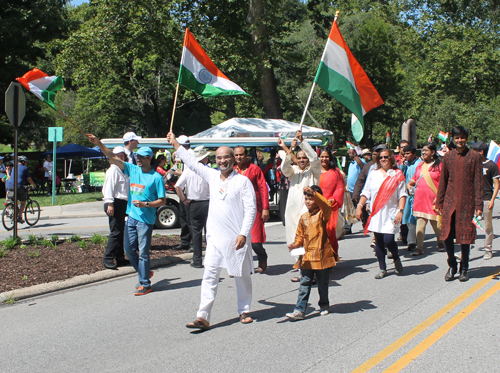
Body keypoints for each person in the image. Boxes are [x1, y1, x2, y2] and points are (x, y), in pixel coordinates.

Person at [167, 131, 256, 330]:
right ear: (215, 161)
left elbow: (251, 209)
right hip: (215, 238)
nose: (222, 161)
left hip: (236, 238)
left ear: (233, 160)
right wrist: (175, 145)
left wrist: (243, 233)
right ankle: (203, 316)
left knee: (241, 276)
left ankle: (244, 310)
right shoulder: (212, 176)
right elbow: (192, 163)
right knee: (209, 275)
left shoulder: (242, 182)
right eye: (218, 158)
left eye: (226, 157)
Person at [88, 134, 166, 295]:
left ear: (149, 158)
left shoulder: (156, 178)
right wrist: (99, 143)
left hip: (146, 221)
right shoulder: (132, 169)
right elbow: (111, 157)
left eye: (142, 157)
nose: (138, 159)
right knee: (128, 250)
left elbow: (163, 201)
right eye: (137, 156)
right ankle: (144, 272)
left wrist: (146, 204)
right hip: (131, 217)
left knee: (143, 252)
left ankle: (145, 283)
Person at [435, 126, 483, 282]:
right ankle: (452, 264)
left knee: (465, 237)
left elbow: (479, 183)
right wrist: (440, 201)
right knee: (447, 235)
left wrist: (478, 206)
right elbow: (443, 181)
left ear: (466, 138)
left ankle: (464, 268)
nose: (459, 140)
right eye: (457, 138)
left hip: (467, 203)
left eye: (462, 137)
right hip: (450, 201)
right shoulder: (447, 157)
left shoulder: (475, 156)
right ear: (453, 139)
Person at [286, 186, 336, 320]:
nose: (308, 202)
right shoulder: (304, 217)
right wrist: (295, 245)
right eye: (306, 199)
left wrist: (315, 194)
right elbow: (299, 237)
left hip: (321, 255)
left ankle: (324, 305)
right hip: (307, 257)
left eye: (311, 199)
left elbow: (327, 206)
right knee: (304, 283)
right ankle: (299, 310)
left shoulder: (322, 214)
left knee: (322, 283)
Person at [356, 149, 407, 279]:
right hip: (376, 212)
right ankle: (382, 268)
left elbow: (402, 195)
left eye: (386, 157)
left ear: (391, 158)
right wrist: (359, 206)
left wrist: (400, 211)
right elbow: (366, 191)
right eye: (381, 157)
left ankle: (396, 258)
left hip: (391, 212)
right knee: (378, 241)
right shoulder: (374, 173)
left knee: (388, 239)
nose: (383, 159)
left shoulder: (397, 174)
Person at [278, 131, 321, 282]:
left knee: (309, 241)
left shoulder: (314, 171)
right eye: (300, 158)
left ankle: (312, 273)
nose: (302, 160)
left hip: (308, 212)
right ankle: (303, 271)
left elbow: (315, 159)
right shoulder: (293, 171)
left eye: (304, 158)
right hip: (292, 212)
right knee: (296, 240)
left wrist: (302, 142)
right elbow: (284, 169)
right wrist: (289, 151)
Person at [234, 146, 270, 273]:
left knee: (255, 241)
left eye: (241, 155)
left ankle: (262, 256)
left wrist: (265, 208)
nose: (239, 157)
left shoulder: (254, 169)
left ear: (246, 155)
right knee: (238, 240)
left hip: (254, 209)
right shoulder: (232, 170)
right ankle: (240, 267)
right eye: (236, 155)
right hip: (237, 211)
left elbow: (263, 188)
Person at [175, 145, 211, 268]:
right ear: (204, 158)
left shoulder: (188, 170)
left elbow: (177, 187)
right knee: (209, 232)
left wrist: (184, 199)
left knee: (196, 232)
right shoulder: (208, 170)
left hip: (194, 203)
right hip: (207, 202)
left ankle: (197, 260)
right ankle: (211, 258)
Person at [407, 143, 444, 256]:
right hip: (420, 199)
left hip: (433, 199)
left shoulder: (440, 165)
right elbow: (415, 178)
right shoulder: (420, 165)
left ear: (433, 152)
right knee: (420, 223)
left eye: (426, 151)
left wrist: (440, 197)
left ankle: (441, 242)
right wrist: (409, 184)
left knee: (435, 223)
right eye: (422, 151)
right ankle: (419, 247)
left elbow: (444, 182)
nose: (423, 153)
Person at [102, 146, 130, 269]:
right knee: (116, 231)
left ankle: (120, 258)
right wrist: (110, 203)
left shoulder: (123, 170)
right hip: (115, 202)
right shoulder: (113, 170)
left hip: (123, 203)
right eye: (118, 155)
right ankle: (108, 258)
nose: (121, 157)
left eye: (122, 155)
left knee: (121, 232)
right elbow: (108, 188)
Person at [471, 141, 499, 260]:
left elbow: (496, 184)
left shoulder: (491, 165)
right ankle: (466, 250)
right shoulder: (472, 164)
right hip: (473, 200)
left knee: (487, 227)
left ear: (481, 152)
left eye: (474, 150)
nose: (472, 152)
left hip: (487, 199)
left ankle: (488, 249)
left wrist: (492, 199)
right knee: (470, 226)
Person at [318, 149, 344, 259]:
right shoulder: (314, 171)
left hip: (330, 207)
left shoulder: (336, 172)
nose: (324, 159)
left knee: (329, 233)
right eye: (322, 156)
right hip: (315, 206)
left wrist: (334, 199)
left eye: (326, 156)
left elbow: (340, 188)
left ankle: (331, 257)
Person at [400, 145, 422, 252]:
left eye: (408, 153)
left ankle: (412, 241)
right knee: (408, 218)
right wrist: (403, 165)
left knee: (414, 218)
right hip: (407, 194)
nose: (406, 156)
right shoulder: (405, 164)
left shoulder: (419, 164)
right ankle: (413, 239)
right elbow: (399, 176)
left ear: (414, 154)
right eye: (405, 154)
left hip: (417, 194)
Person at [174, 135, 193, 251]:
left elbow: (190, 173)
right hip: (183, 190)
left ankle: (192, 243)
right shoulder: (183, 156)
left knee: (190, 218)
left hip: (190, 191)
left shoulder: (190, 155)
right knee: (183, 217)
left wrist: (180, 173)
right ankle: (185, 241)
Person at [6, 156, 37, 223]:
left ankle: (15, 211)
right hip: (18, 186)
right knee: (23, 201)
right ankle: (19, 216)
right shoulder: (25, 168)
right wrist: (34, 185)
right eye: (25, 162)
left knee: (15, 198)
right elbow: (29, 179)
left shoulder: (14, 167)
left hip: (10, 186)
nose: (26, 164)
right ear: (23, 162)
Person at [345, 148, 365, 235]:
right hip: (350, 190)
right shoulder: (351, 163)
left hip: (359, 190)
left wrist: (355, 155)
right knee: (350, 209)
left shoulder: (361, 161)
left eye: (351, 152)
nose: (349, 154)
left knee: (362, 209)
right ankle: (347, 228)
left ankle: (367, 224)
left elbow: (361, 165)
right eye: (349, 152)